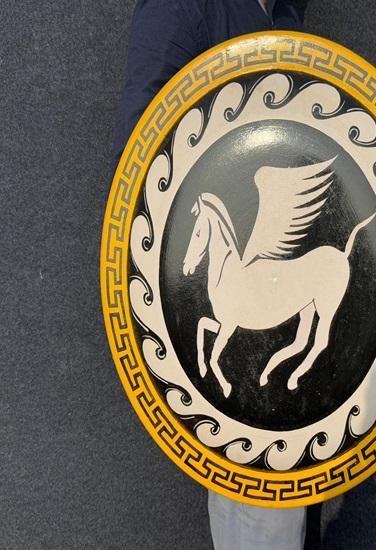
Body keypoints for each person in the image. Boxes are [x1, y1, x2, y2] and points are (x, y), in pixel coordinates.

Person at [112, 2, 307, 549]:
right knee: (263, 489)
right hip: (211, 283)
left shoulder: (286, 18)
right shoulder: (181, 7)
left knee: (275, 492)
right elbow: (138, 166)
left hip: (275, 286)